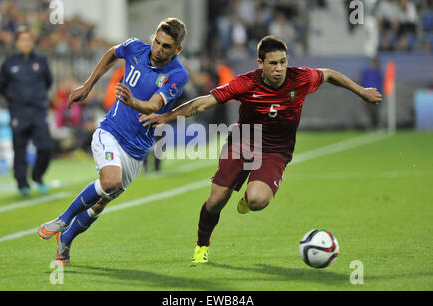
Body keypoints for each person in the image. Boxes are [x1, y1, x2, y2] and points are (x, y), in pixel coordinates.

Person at [140, 35, 382, 264]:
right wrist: (167, 116)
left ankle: (246, 198)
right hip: (244, 140)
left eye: (283, 62)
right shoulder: (246, 83)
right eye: (273, 63)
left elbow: (328, 74)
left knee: (257, 201)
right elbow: (204, 102)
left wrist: (361, 91)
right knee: (215, 201)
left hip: (276, 150)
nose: (279, 68)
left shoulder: (302, 78)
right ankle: (202, 246)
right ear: (261, 63)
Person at [37, 17, 189, 265]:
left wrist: (134, 102)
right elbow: (112, 53)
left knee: (100, 204)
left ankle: (66, 239)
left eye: (166, 46)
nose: (159, 49)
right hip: (110, 131)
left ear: (177, 49)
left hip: (137, 149)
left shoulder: (177, 74)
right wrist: (88, 85)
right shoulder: (136, 48)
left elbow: (153, 105)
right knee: (110, 181)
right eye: (157, 42)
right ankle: (63, 218)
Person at [0, 26, 53, 196]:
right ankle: (22, 184)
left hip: (38, 111)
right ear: (17, 43)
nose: (26, 43)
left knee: (46, 146)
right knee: (19, 149)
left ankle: (37, 175)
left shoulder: (41, 61)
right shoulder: (9, 63)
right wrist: (15, 101)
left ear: (32, 42)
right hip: (19, 113)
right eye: (22, 40)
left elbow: (48, 82)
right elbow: (1, 87)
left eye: (29, 39)